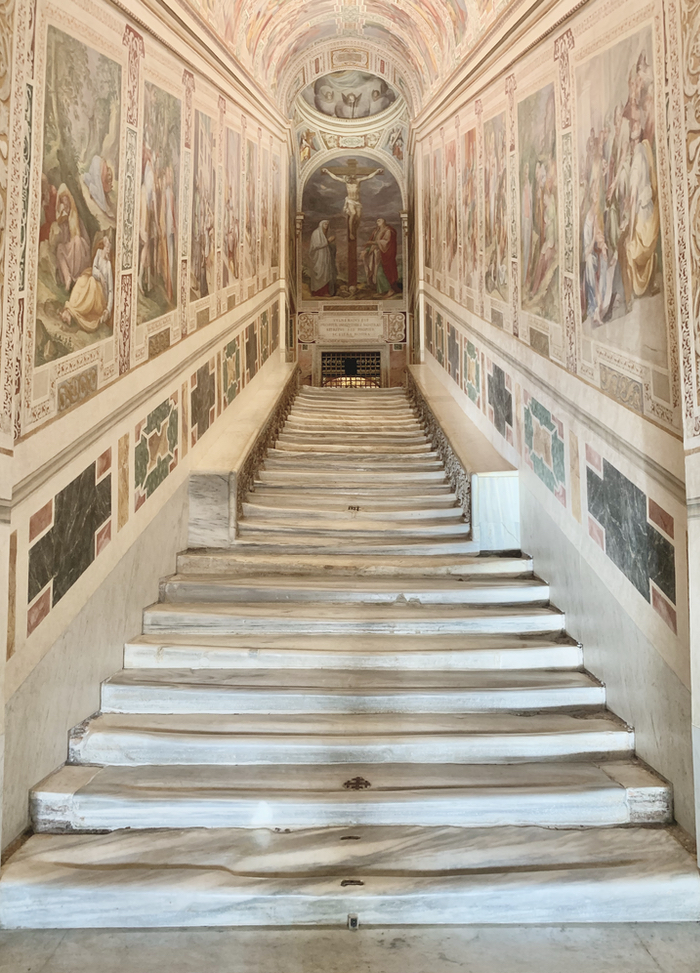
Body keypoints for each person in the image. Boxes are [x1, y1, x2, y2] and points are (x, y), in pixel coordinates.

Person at [60, 234, 113, 332]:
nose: (108, 251)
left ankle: (74, 311)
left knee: (92, 282)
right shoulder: (98, 253)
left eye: (109, 248)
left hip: (101, 297)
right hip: (93, 280)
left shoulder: (108, 265)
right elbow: (94, 269)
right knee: (82, 280)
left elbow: (110, 290)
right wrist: (100, 276)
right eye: (107, 248)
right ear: (104, 247)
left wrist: (108, 310)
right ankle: (70, 309)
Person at [321, 166, 383, 239]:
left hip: (357, 202)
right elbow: (335, 177)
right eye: (347, 179)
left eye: (349, 179)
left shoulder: (358, 181)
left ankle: (354, 229)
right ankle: (351, 233)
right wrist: (327, 171)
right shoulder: (346, 182)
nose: (348, 181)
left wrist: (376, 171)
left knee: (359, 216)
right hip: (350, 201)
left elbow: (368, 177)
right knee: (353, 213)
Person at [54, 185, 91, 292]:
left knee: (77, 241)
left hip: (79, 250)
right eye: (63, 203)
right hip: (69, 249)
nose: (66, 205)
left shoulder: (76, 218)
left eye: (67, 202)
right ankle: (68, 278)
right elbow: (63, 239)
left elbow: (82, 238)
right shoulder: (63, 219)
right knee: (60, 248)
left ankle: (76, 277)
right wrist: (62, 220)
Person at [363, 218, 399, 298]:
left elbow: (386, 242)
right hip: (376, 254)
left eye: (379, 221)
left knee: (381, 272)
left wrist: (372, 243)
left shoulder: (388, 231)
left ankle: (391, 290)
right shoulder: (376, 231)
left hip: (384, 255)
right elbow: (372, 242)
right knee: (377, 272)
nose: (377, 222)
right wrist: (367, 250)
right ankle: (381, 291)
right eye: (377, 221)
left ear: (384, 222)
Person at [309, 219, 336, 296]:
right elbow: (316, 246)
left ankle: (325, 292)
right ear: (321, 225)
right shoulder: (316, 233)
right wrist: (328, 241)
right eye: (325, 224)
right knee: (319, 272)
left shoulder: (323, 234)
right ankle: (318, 292)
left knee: (325, 273)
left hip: (324, 258)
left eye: (327, 225)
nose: (326, 226)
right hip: (318, 257)